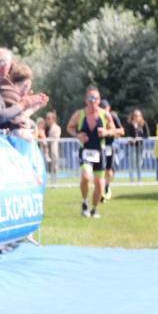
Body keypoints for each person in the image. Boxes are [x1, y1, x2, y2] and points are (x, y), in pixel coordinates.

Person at [66, 86, 118, 218]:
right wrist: (78, 135)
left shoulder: (105, 115)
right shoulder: (80, 114)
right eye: (90, 97)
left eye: (95, 98)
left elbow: (115, 131)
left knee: (99, 185)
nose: (92, 100)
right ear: (85, 100)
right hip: (86, 151)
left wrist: (106, 132)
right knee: (85, 176)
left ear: (99, 100)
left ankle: (94, 209)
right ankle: (84, 202)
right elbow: (69, 127)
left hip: (100, 152)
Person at [99, 98, 124, 200]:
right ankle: (100, 189)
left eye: (105, 109)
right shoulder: (96, 117)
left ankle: (106, 187)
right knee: (99, 170)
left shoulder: (113, 117)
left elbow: (122, 131)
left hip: (109, 146)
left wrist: (108, 132)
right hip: (98, 146)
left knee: (109, 171)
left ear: (108, 108)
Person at [125, 108, 150, 183]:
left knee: (139, 163)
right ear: (132, 116)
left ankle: (139, 180)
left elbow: (147, 135)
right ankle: (131, 180)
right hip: (132, 146)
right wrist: (135, 128)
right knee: (131, 163)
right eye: (135, 116)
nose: (136, 117)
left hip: (140, 146)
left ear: (141, 116)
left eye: (138, 115)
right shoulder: (129, 124)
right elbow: (129, 135)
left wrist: (138, 137)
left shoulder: (143, 123)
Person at [44, 110, 62, 180]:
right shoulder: (47, 128)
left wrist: (46, 140)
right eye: (47, 118)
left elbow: (54, 138)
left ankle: (55, 180)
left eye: (49, 118)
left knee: (54, 165)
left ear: (53, 119)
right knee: (50, 166)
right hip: (48, 150)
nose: (47, 120)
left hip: (54, 149)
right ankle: (52, 179)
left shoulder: (56, 128)